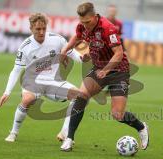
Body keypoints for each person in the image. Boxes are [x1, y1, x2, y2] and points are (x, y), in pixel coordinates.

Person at [59, 2, 149, 151]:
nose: (85, 25)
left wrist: (106, 70)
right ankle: (69, 138)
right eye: (82, 22)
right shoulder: (82, 26)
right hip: (99, 68)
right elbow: (76, 37)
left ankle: (141, 127)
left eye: (88, 22)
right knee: (81, 96)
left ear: (95, 16)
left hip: (118, 71)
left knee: (117, 114)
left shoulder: (108, 28)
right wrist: (64, 51)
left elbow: (119, 54)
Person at [0, 13, 85, 142]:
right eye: (38, 29)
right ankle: (13, 133)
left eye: (44, 28)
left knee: (79, 97)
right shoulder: (25, 47)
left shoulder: (57, 39)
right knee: (27, 99)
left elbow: (72, 53)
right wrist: (7, 92)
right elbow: (16, 70)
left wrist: (83, 58)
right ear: (31, 28)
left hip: (53, 81)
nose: (42, 32)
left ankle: (64, 132)